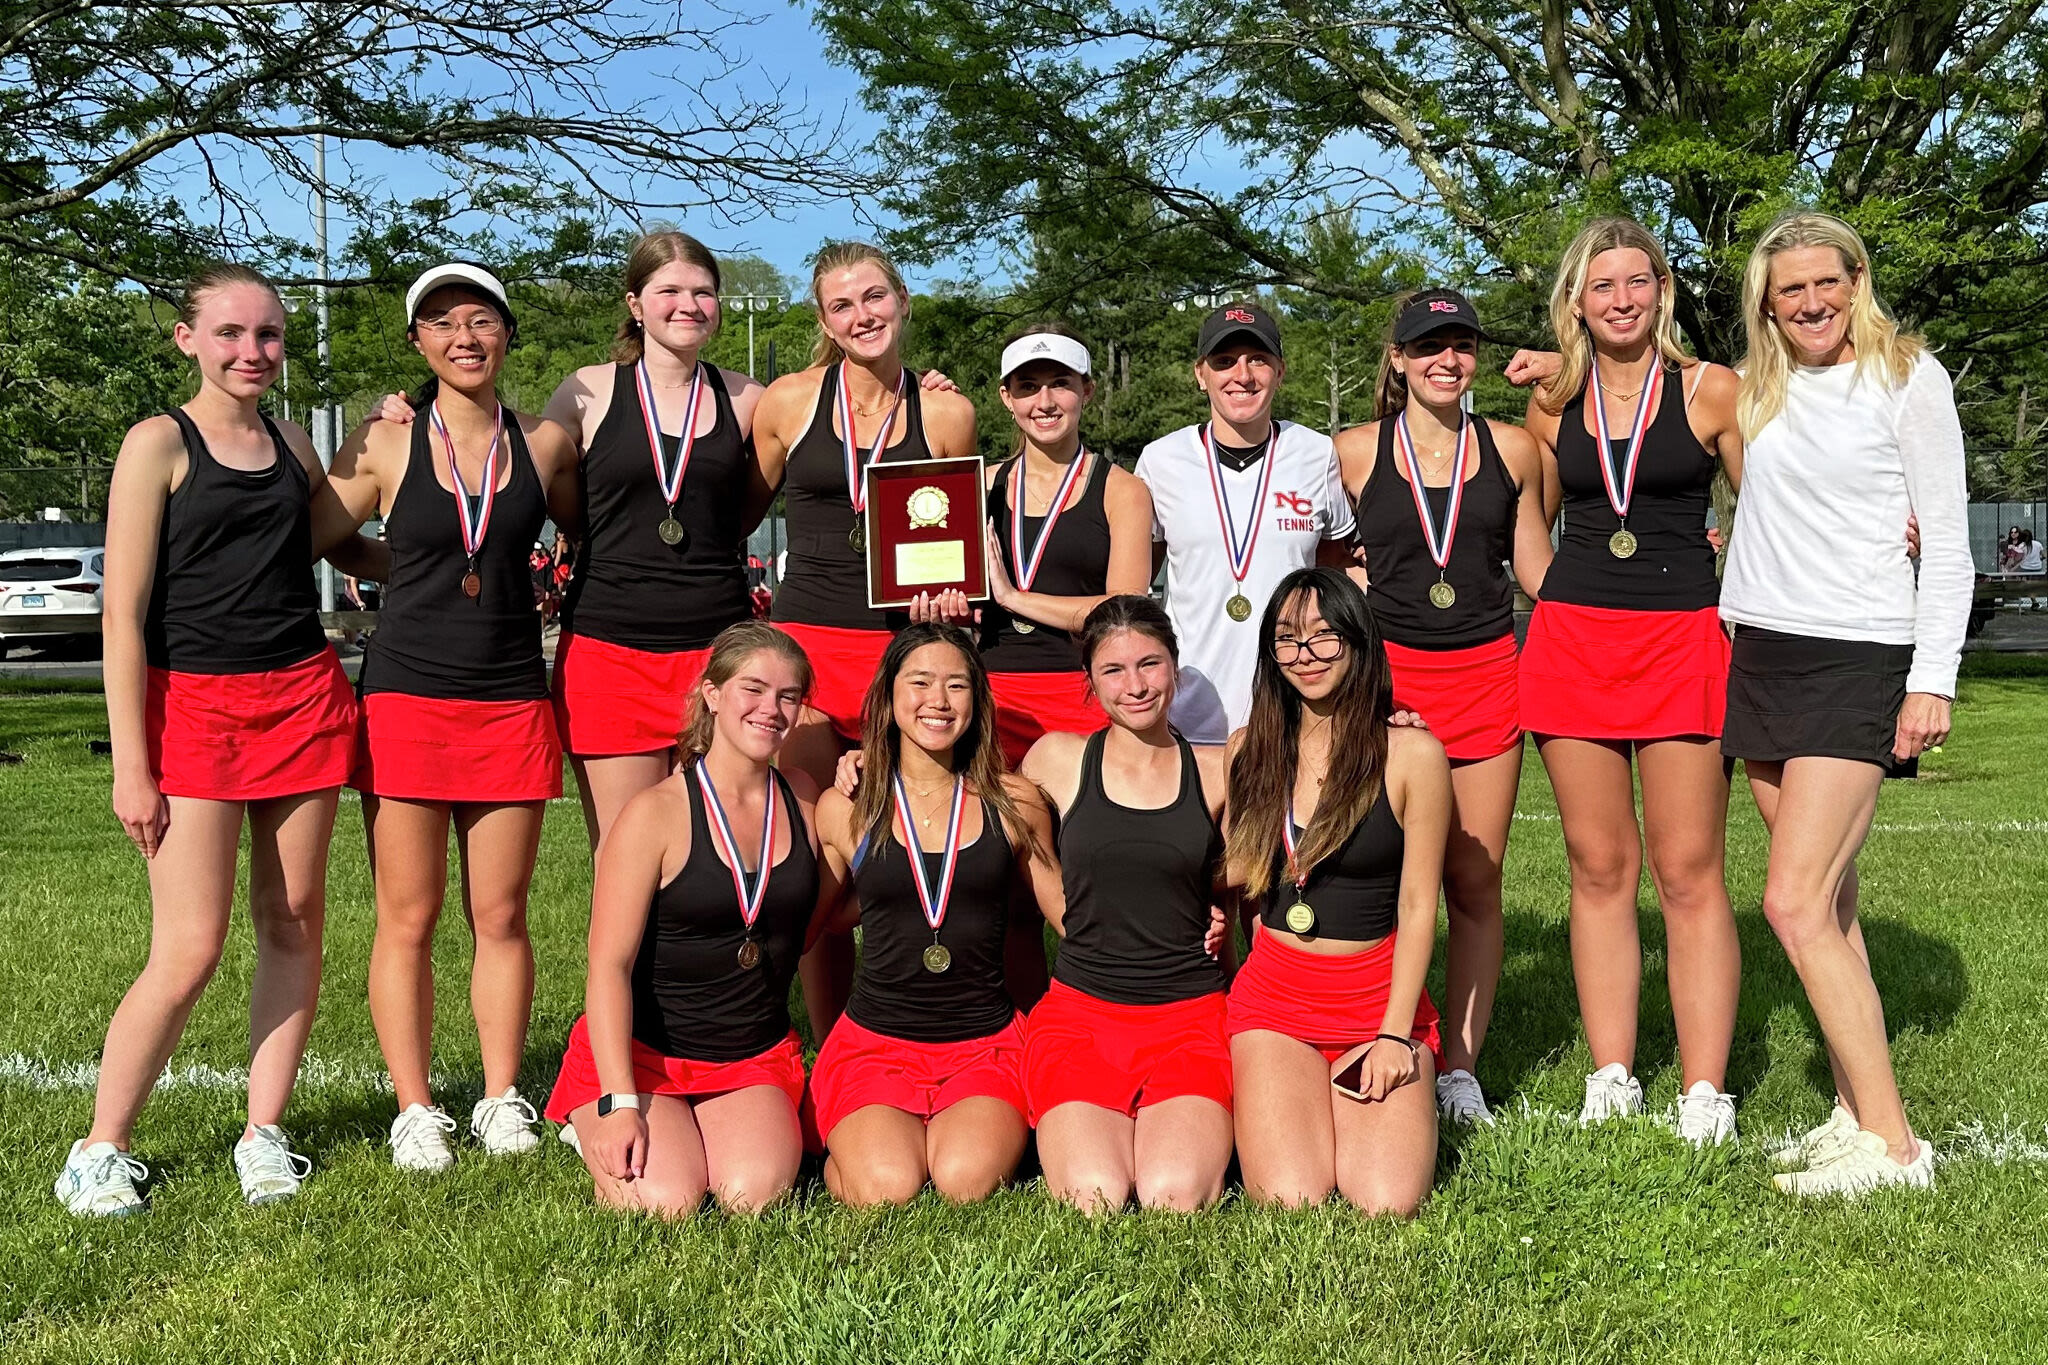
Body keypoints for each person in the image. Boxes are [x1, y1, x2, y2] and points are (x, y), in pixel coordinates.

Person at [56, 264, 375, 1216]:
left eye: (269, 335)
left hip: (304, 702)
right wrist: (132, 764)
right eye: (232, 333)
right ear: (188, 340)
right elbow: (123, 615)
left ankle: (263, 1133)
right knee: (189, 945)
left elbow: (340, 545)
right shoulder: (158, 442)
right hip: (191, 711)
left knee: (292, 920)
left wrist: (453, 546)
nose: (253, 351)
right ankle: (101, 1147)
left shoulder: (290, 443)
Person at [1719, 211, 1972, 1194]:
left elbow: (1945, 541)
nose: (1811, 302)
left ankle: (1894, 1149)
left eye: (1827, 282)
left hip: (1858, 654)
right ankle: (1851, 1112)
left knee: (1788, 901)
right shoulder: (1757, 391)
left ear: (1856, 280)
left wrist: (1930, 678)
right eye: (1790, 289)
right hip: (1764, 653)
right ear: (1766, 304)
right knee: (1829, 903)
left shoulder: (1909, 379)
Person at [378, 232, 767, 853]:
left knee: (719, 855)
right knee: (628, 859)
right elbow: (505, 459)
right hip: (609, 654)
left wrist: (919, 385)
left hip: (719, 653)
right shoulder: (586, 391)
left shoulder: (750, 399)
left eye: (703, 292)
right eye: (669, 290)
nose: (687, 304)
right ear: (636, 305)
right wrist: (405, 408)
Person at [323, 263, 582, 1172]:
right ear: (417, 344)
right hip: (405, 697)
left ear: (506, 334)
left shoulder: (543, 443)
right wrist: (400, 565)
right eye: (442, 323)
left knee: (501, 913)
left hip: (510, 695)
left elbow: (594, 522)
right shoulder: (387, 441)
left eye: (481, 320)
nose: (464, 336)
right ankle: (417, 1105)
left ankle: (503, 1096)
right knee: (409, 914)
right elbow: (317, 532)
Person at [1513, 218, 1748, 1144]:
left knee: (1689, 872)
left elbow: (1769, 506)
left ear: (1662, 290)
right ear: (1577, 299)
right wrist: (1552, 593)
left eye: (1636, 282)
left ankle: (1703, 1088)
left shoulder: (1711, 389)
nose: (1621, 299)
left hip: (1685, 640)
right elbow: (1530, 518)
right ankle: (1612, 1071)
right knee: (1599, 867)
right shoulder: (1552, 399)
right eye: (1602, 285)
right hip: (1574, 644)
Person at [1333, 289, 1551, 1127]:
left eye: (1459, 344)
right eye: (1427, 346)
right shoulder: (1352, 451)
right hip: (1386, 689)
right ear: (1397, 358)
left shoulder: (1513, 448)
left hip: (1488, 676)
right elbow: (1318, 560)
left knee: (1475, 879)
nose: (1445, 360)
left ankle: (1459, 1068)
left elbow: (1537, 570)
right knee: (1381, 875)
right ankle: (1374, 1033)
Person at [751, 242, 979, 1037]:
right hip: (807, 652)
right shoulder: (785, 401)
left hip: (902, 657)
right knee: (816, 863)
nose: (862, 315)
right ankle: (819, 1038)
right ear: (824, 319)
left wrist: (954, 598)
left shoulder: (947, 410)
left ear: (903, 300)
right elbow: (736, 507)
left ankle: (895, 1022)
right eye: (843, 305)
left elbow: (961, 539)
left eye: (875, 297)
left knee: (900, 857)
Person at [544, 622, 822, 1215]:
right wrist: (620, 1100)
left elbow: (836, 907)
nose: (770, 709)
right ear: (713, 694)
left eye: (788, 696)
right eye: (753, 689)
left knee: (753, 1195)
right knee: (668, 1201)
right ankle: (591, 1116)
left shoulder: (803, 797)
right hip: (644, 1055)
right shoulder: (655, 813)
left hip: (752, 1056)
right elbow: (609, 966)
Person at [808, 623, 1062, 1206]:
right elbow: (817, 921)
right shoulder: (846, 806)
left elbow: (1068, 913)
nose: (938, 701)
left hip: (985, 1045)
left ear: (979, 700)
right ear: (888, 695)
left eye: (956, 685)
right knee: (886, 1187)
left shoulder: (1015, 802)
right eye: (919, 682)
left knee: (964, 1182)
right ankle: (848, 1154)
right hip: (876, 1044)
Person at [1223, 568, 1448, 1215]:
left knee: (1386, 1199)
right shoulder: (1247, 750)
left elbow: (1416, 905)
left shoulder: (1411, 754)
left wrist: (1393, 1034)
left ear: (1358, 642)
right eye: (1289, 639)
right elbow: (1245, 884)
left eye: (1325, 635)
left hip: (1377, 1000)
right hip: (1276, 1001)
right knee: (1291, 1194)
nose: (1307, 654)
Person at [1015, 595, 1234, 1211]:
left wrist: (1395, 721)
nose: (1135, 686)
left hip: (1189, 1018)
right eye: (1113, 670)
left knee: (1175, 1194)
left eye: (1150, 664)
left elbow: (1242, 879)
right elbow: (964, 798)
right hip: (1083, 1018)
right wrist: (866, 760)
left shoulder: (1219, 770)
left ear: (1176, 667)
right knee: (1095, 1194)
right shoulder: (1055, 760)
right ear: (1089, 680)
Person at [1135, 303, 1357, 744]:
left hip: (1293, 711)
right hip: (1187, 715)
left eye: (1258, 359)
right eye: (1224, 361)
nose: (1242, 375)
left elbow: (1336, 570)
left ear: (1280, 371)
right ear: (1201, 374)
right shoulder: (1160, 461)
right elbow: (1135, 582)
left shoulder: (1315, 453)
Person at [977, 325, 1155, 765]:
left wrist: (1014, 598)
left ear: (1087, 390)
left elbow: (1124, 609)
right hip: (990, 696)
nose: (1045, 402)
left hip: (1082, 694)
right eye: (1028, 387)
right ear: (1006, 398)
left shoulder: (1123, 490)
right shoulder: (978, 484)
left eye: (1061, 384)